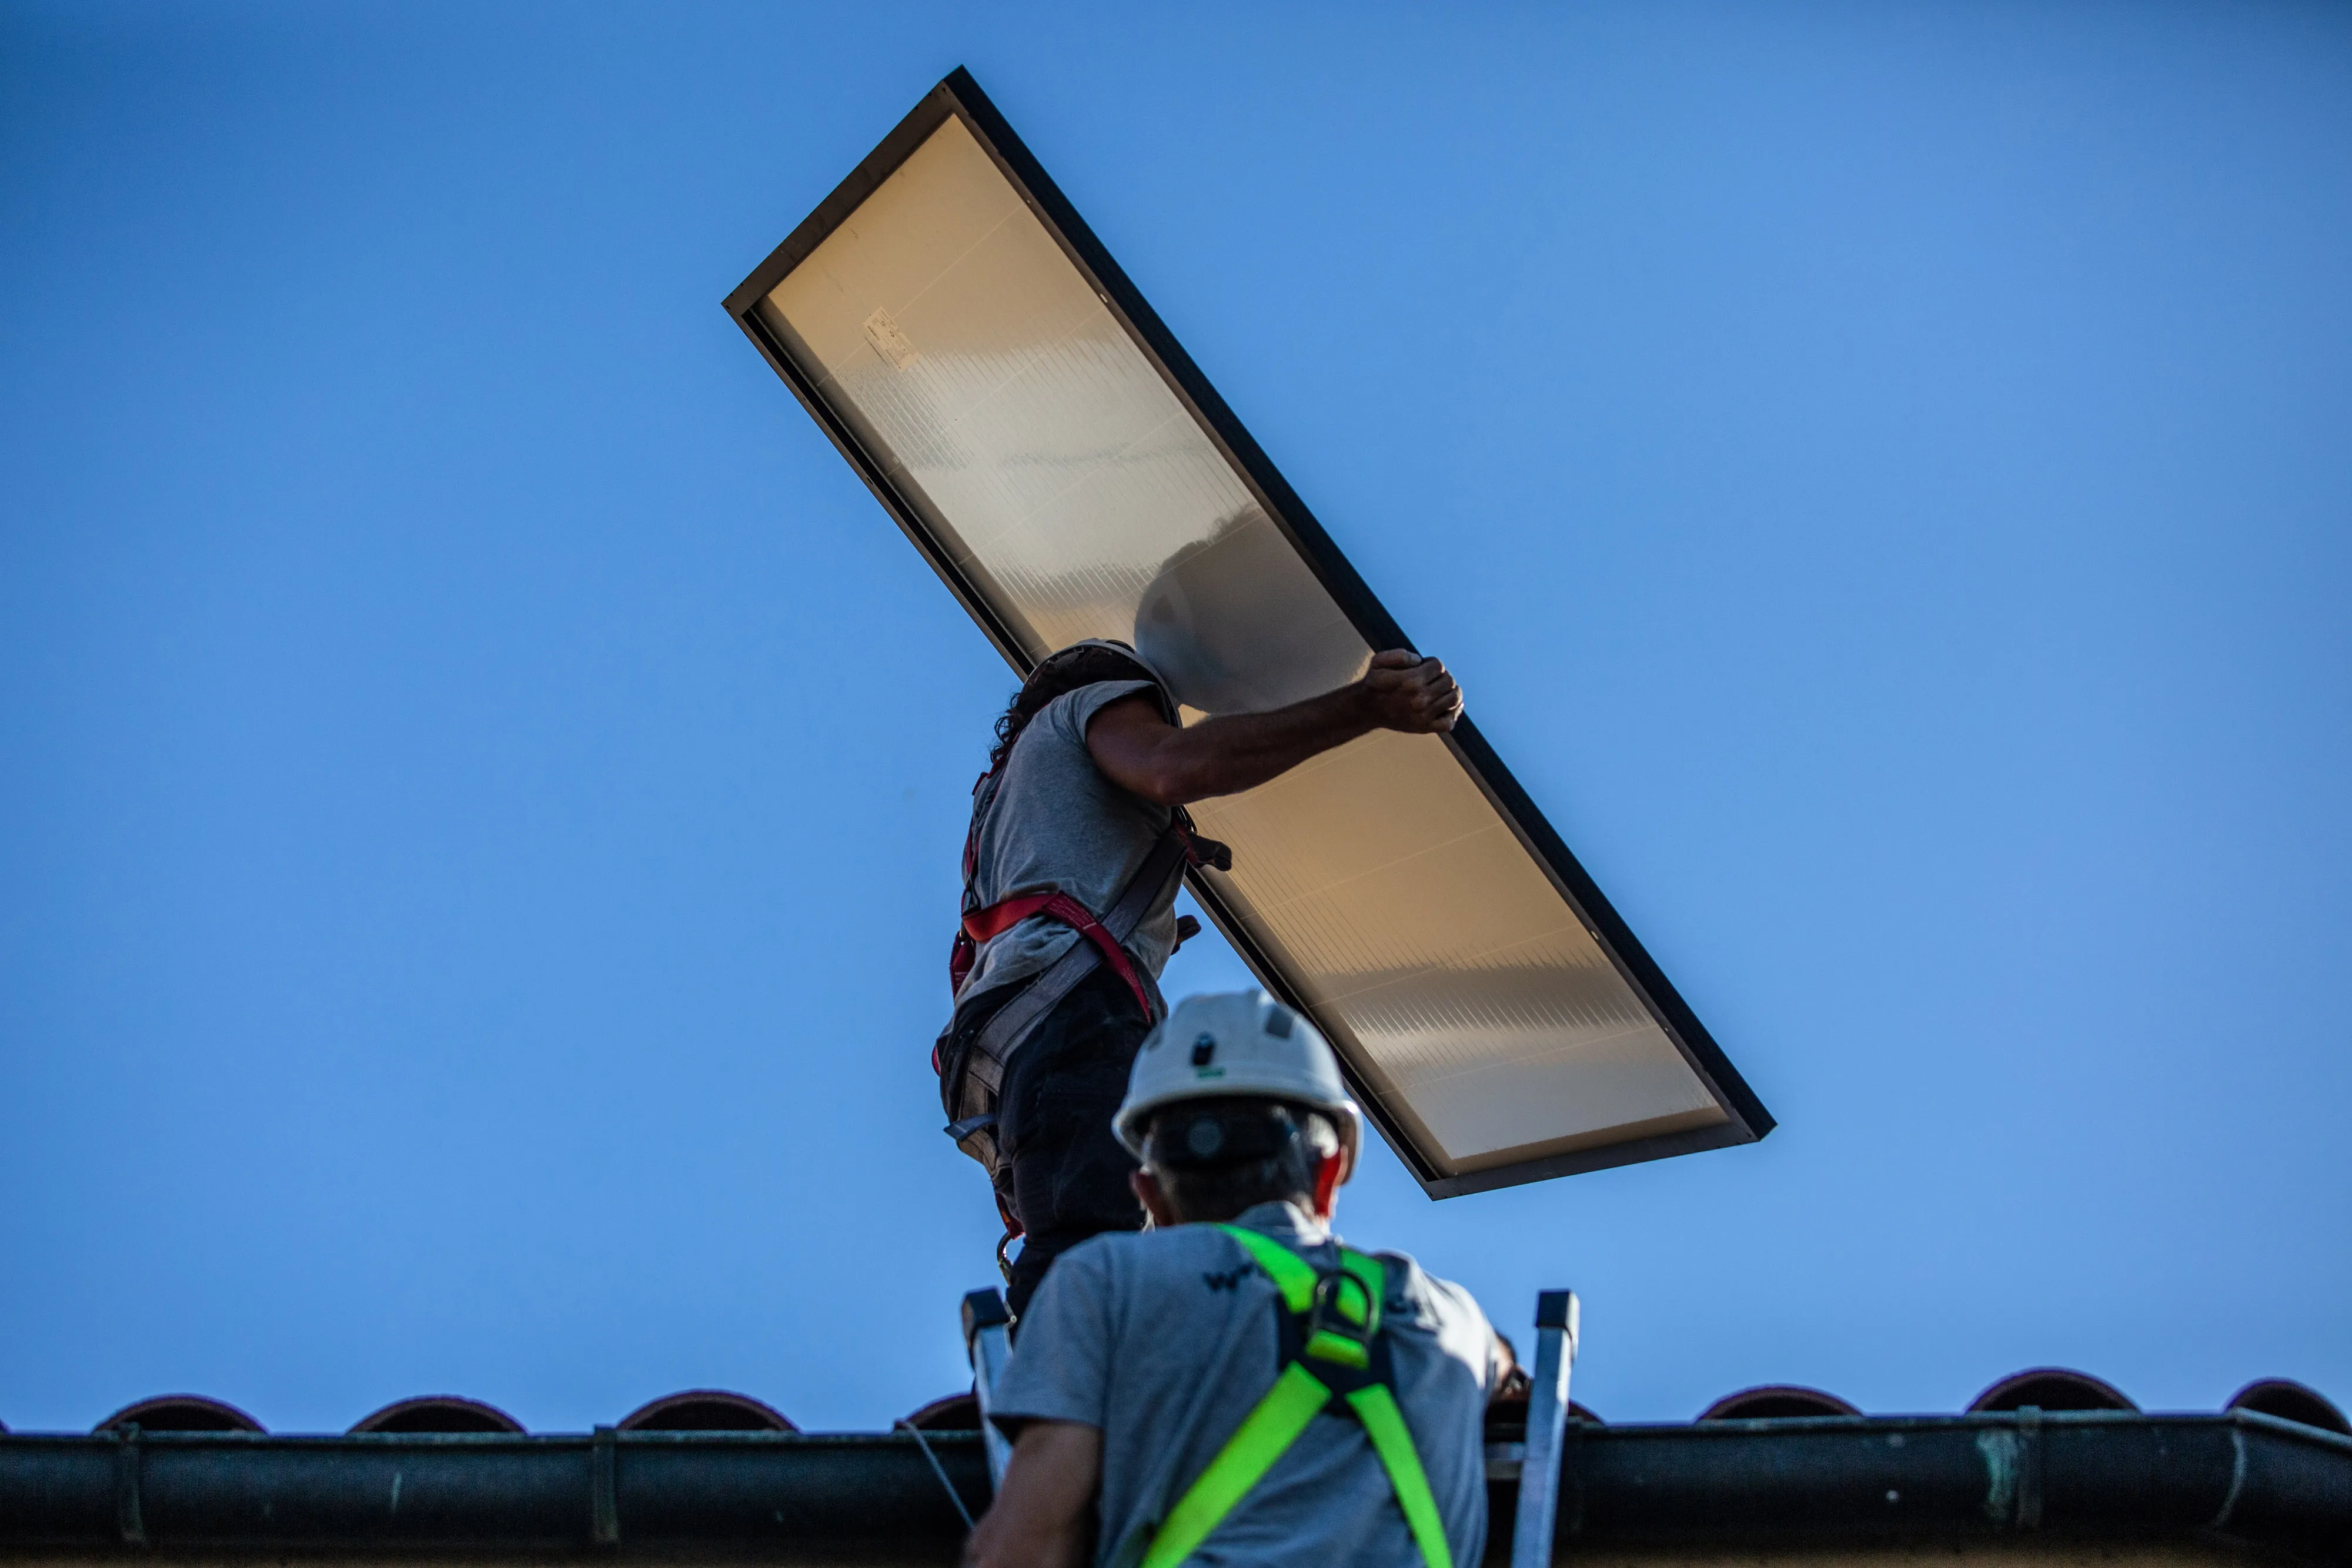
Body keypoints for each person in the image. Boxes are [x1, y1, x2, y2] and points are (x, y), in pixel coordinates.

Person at [936, 640, 1462, 1318]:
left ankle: (1054, 1397)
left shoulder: (1015, 794)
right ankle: (1051, 1411)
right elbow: (1173, 768)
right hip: (1066, 1011)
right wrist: (1366, 704)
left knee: (1095, 1254)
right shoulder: (1090, 704)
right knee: (1091, 1259)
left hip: (1002, 1047)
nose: (1156, 719)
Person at [964, 990, 1509, 1568]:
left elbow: (1025, 1550)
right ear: (1330, 1174)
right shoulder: (1448, 1318)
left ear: (1151, 1198)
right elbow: (1500, 1365)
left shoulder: (1104, 1284)